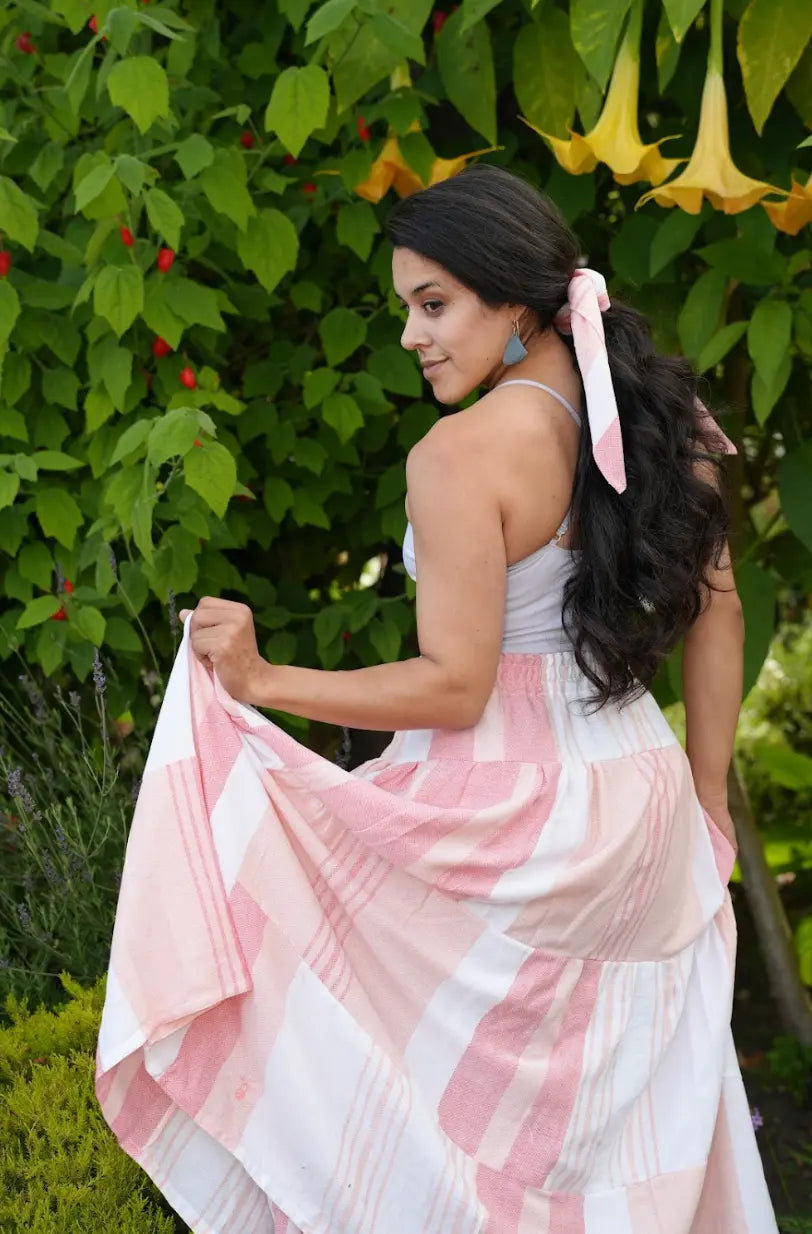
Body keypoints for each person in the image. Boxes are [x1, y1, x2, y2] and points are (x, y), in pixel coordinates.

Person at [95, 164, 778, 1233]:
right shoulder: (658, 409)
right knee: (614, 1118)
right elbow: (721, 614)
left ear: (514, 300)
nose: (412, 336)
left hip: (510, 810)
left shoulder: (460, 453)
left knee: (398, 1073)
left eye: (433, 304)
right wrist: (704, 800)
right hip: (637, 803)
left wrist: (262, 681)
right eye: (406, 309)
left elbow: (456, 688)